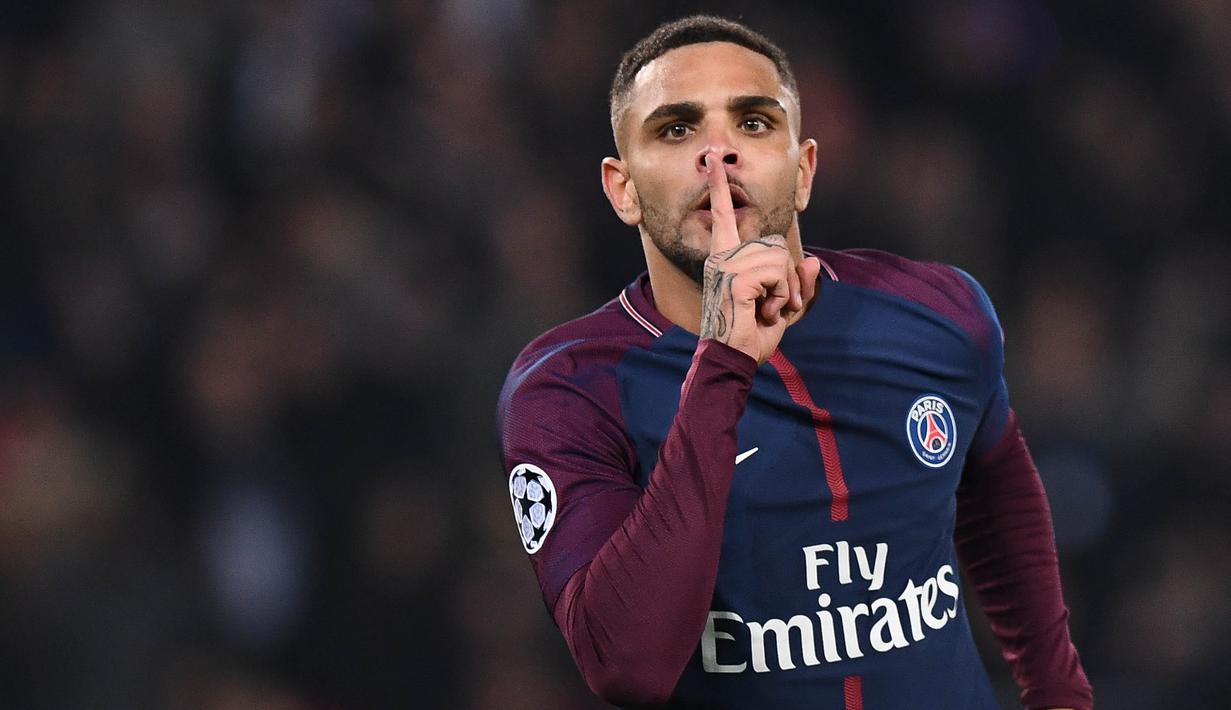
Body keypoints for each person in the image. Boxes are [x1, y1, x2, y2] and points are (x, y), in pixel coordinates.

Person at [497, 14, 1093, 710]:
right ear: (621, 188)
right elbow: (625, 664)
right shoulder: (570, 388)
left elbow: (995, 487)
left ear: (803, 169)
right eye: (676, 129)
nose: (717, 154)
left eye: (752, 123)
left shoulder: (939, 313)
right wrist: (721, 364)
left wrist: (1059, 693)